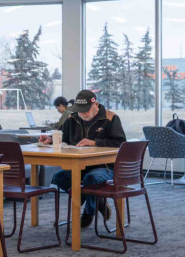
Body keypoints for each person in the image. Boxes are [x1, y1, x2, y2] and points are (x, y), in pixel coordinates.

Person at [40, 90, 126, 227]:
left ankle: (88, 212)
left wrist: (95, 142)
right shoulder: (72, 118)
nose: (82, 114)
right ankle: (98, 201)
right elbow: (62, 135)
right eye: (80, 111)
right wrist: (50, 139)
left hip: (105, 166)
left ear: (95, 104)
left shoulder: (110, 118)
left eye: (86, 110)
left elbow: (121, 143)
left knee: (90, 179)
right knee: (59, 177)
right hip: (80, 166)